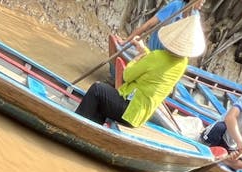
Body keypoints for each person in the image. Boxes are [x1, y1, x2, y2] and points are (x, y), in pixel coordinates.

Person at [74, 16, 206, 128]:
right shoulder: (182, 63)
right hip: (141, 114)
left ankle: (76, 125)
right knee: (104, 98)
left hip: (129, 110)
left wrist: (137, 58)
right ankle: (94, 127)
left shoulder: (157, 56)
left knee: (97, 89)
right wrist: (145, 52)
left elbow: (127, 75)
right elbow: (159, 67)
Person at [125, 0, 205, 51]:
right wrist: (126, 41)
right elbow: (149, 24)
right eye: (201, 2)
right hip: (156, 48)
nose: (202, 5)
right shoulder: (176, 6)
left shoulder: (195, 16)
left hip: (172, 52)